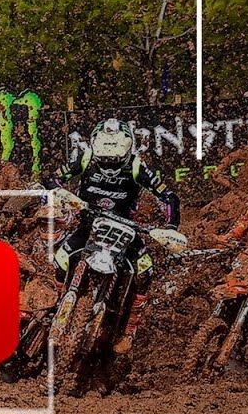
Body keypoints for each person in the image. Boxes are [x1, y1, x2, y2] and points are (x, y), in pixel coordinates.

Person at [45, 118, 183, 354]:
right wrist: (59, 194)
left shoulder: (137, 167)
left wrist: (170, 227)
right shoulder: (85, 158)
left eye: (115, 160)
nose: (109, 165)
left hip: (125, 228)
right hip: (89, 223)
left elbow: (168, 196)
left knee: (145, 269)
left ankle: (130, 330)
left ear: (127, 151)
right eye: (104, 159)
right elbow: (53, 179)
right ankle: (54, 305)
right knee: (61, 259)